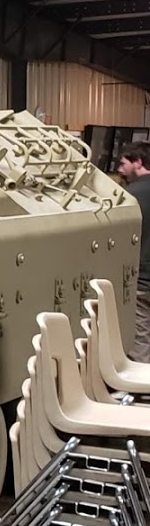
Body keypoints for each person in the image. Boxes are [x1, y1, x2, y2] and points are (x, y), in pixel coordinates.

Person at [116, 141, 150, 361]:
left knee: (141, 341)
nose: (120, 169)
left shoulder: (130, 197)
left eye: (123, 163)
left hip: (142, 280)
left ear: (138, 162)